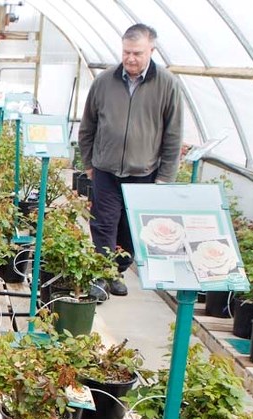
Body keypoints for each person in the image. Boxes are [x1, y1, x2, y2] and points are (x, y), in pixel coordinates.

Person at [78, 23, 183, 301]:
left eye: (137, 53)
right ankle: (100, 277)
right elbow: (88, 125)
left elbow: (173, 134)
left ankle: (117, 271)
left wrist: (165, 178)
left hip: (144, 172)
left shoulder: (167, 85)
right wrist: (88, 162)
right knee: (103, 223)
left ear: (152, 50)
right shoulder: (104, 82)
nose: (130, 59)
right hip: (105, 169)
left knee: (130, 229)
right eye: (126, 52)